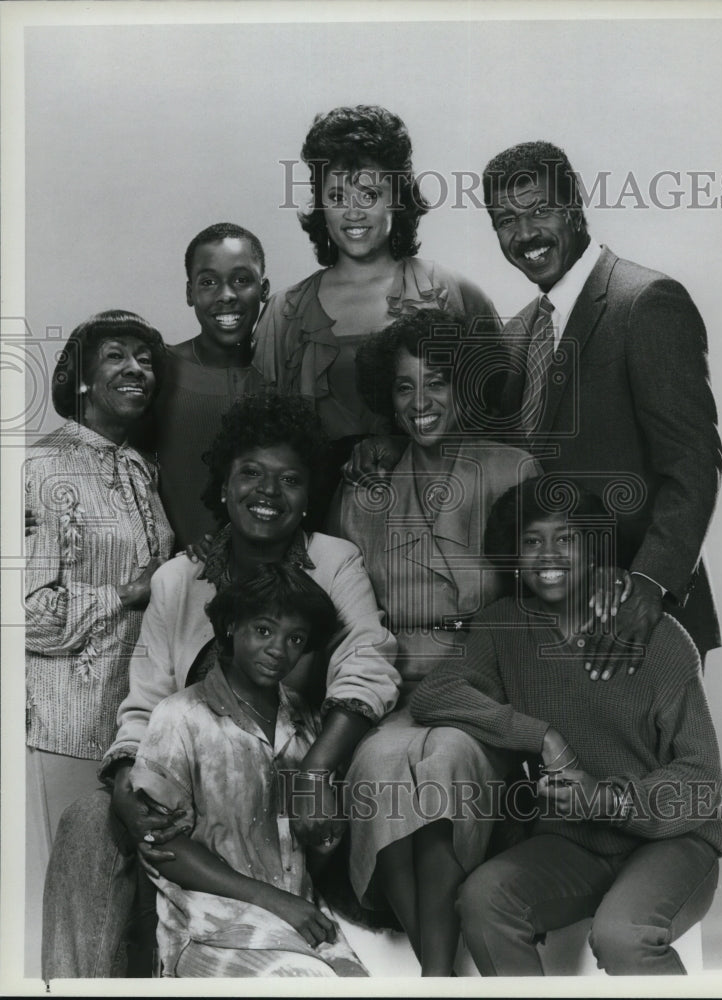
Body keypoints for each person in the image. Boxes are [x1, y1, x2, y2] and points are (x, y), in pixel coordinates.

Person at [41, 392, 399, 979]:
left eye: (290, 480)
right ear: (225, 486)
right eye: (251, 473)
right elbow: (147, 698)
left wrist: (316, 772)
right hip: (187, 779)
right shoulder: (179, 578)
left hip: (284, 783)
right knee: (87, 819)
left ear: (309, 495)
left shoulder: (334, 561)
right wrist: (127, 775)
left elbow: (369, 662)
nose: (268, 491)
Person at [411, 477, 722, 976]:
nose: (548, 555)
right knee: (483, 899)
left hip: (673, 841)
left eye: (566, 538)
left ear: (593, 549)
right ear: (514, 556)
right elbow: (435, 694)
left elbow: (703, 780)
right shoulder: (503, 626)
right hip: (574, 843)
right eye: (531, 541)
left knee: (622, 936)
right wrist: (540, 735)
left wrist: (609, 800)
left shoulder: (654, 634)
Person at [331, 307, 540, 975]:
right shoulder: (365, 490)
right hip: (399, 690)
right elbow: (350, 613)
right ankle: (440, 977)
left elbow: (542, 601)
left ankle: (434, 978)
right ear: (386, 399)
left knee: (446, 757)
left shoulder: (512, 470)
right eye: (404, 386)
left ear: (465, 386)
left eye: (437, 382)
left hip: (484, 686)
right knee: (378, 765)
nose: (420, 402)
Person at [482, 140, 722, 672]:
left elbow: (694, 464)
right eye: (505, 220)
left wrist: (650, 585)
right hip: (549, 625)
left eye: (540, 210)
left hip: (641, 620)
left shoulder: (646, 302)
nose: (525, 234)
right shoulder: (516, 334)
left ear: (575, 206)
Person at [25, 310, 174, 972]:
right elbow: (24, 612)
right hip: (65, 726)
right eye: (116, 355)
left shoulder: (140, 468)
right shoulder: (39, 468)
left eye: (145, 358)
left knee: (132, 916)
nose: (136, 368)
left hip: (134, 724)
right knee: (77, 913)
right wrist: (126, 592)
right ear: (80, 378)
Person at [130, 565, 367, 977]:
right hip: (210, 925)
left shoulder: (307, 723)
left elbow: (305, 855)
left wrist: (324, 839)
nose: (278, 649)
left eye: (295, 639)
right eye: (263, 630)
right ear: (231, 626)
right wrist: (273, 900)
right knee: (302, 982)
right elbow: (163, 847)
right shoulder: (180, 716)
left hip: (300, 919)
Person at [253, 104, 505, 477]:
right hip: (318, 505)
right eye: (337, 197)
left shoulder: (453, 293)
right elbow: (260, 437)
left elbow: (499, 419)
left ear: (397, 198)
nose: (353, 212)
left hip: (439, 497)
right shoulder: (284, 312)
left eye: (369, 194)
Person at [151, 222, 269, 547]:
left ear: (264, 289)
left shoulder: (282, 375)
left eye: (242, 280)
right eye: (208, 282)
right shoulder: (159, 368)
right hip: (173, 568)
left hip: (264, 566)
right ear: (190, 293)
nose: (226, 295)